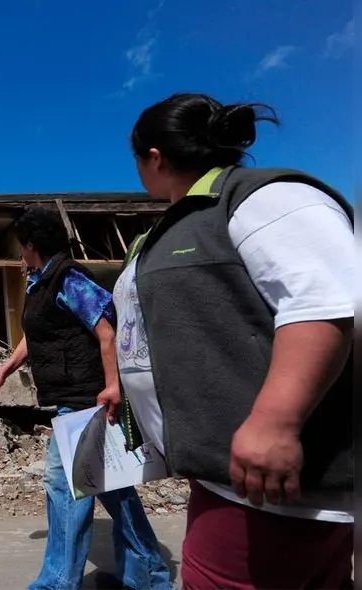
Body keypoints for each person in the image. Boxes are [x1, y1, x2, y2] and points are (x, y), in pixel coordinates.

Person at [117, 92, 354, 588]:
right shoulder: (186, 220)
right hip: (228, 479)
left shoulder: (263, 197)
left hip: (271, 489)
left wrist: (275, 422)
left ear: (153, 157)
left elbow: (323, 302)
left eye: (136, 159)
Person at [0, 206, 173, 590]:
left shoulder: (69, 279)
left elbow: (106, 332)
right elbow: (36, 335)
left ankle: (57, 581)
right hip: (75, 397)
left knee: (64, 484)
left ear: (32, 245)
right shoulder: (43, 282)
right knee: (111, 486)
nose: (20, 254)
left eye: (22, 246)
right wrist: (5, 368)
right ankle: (149, 572)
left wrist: (112, 386)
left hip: (85, 398)